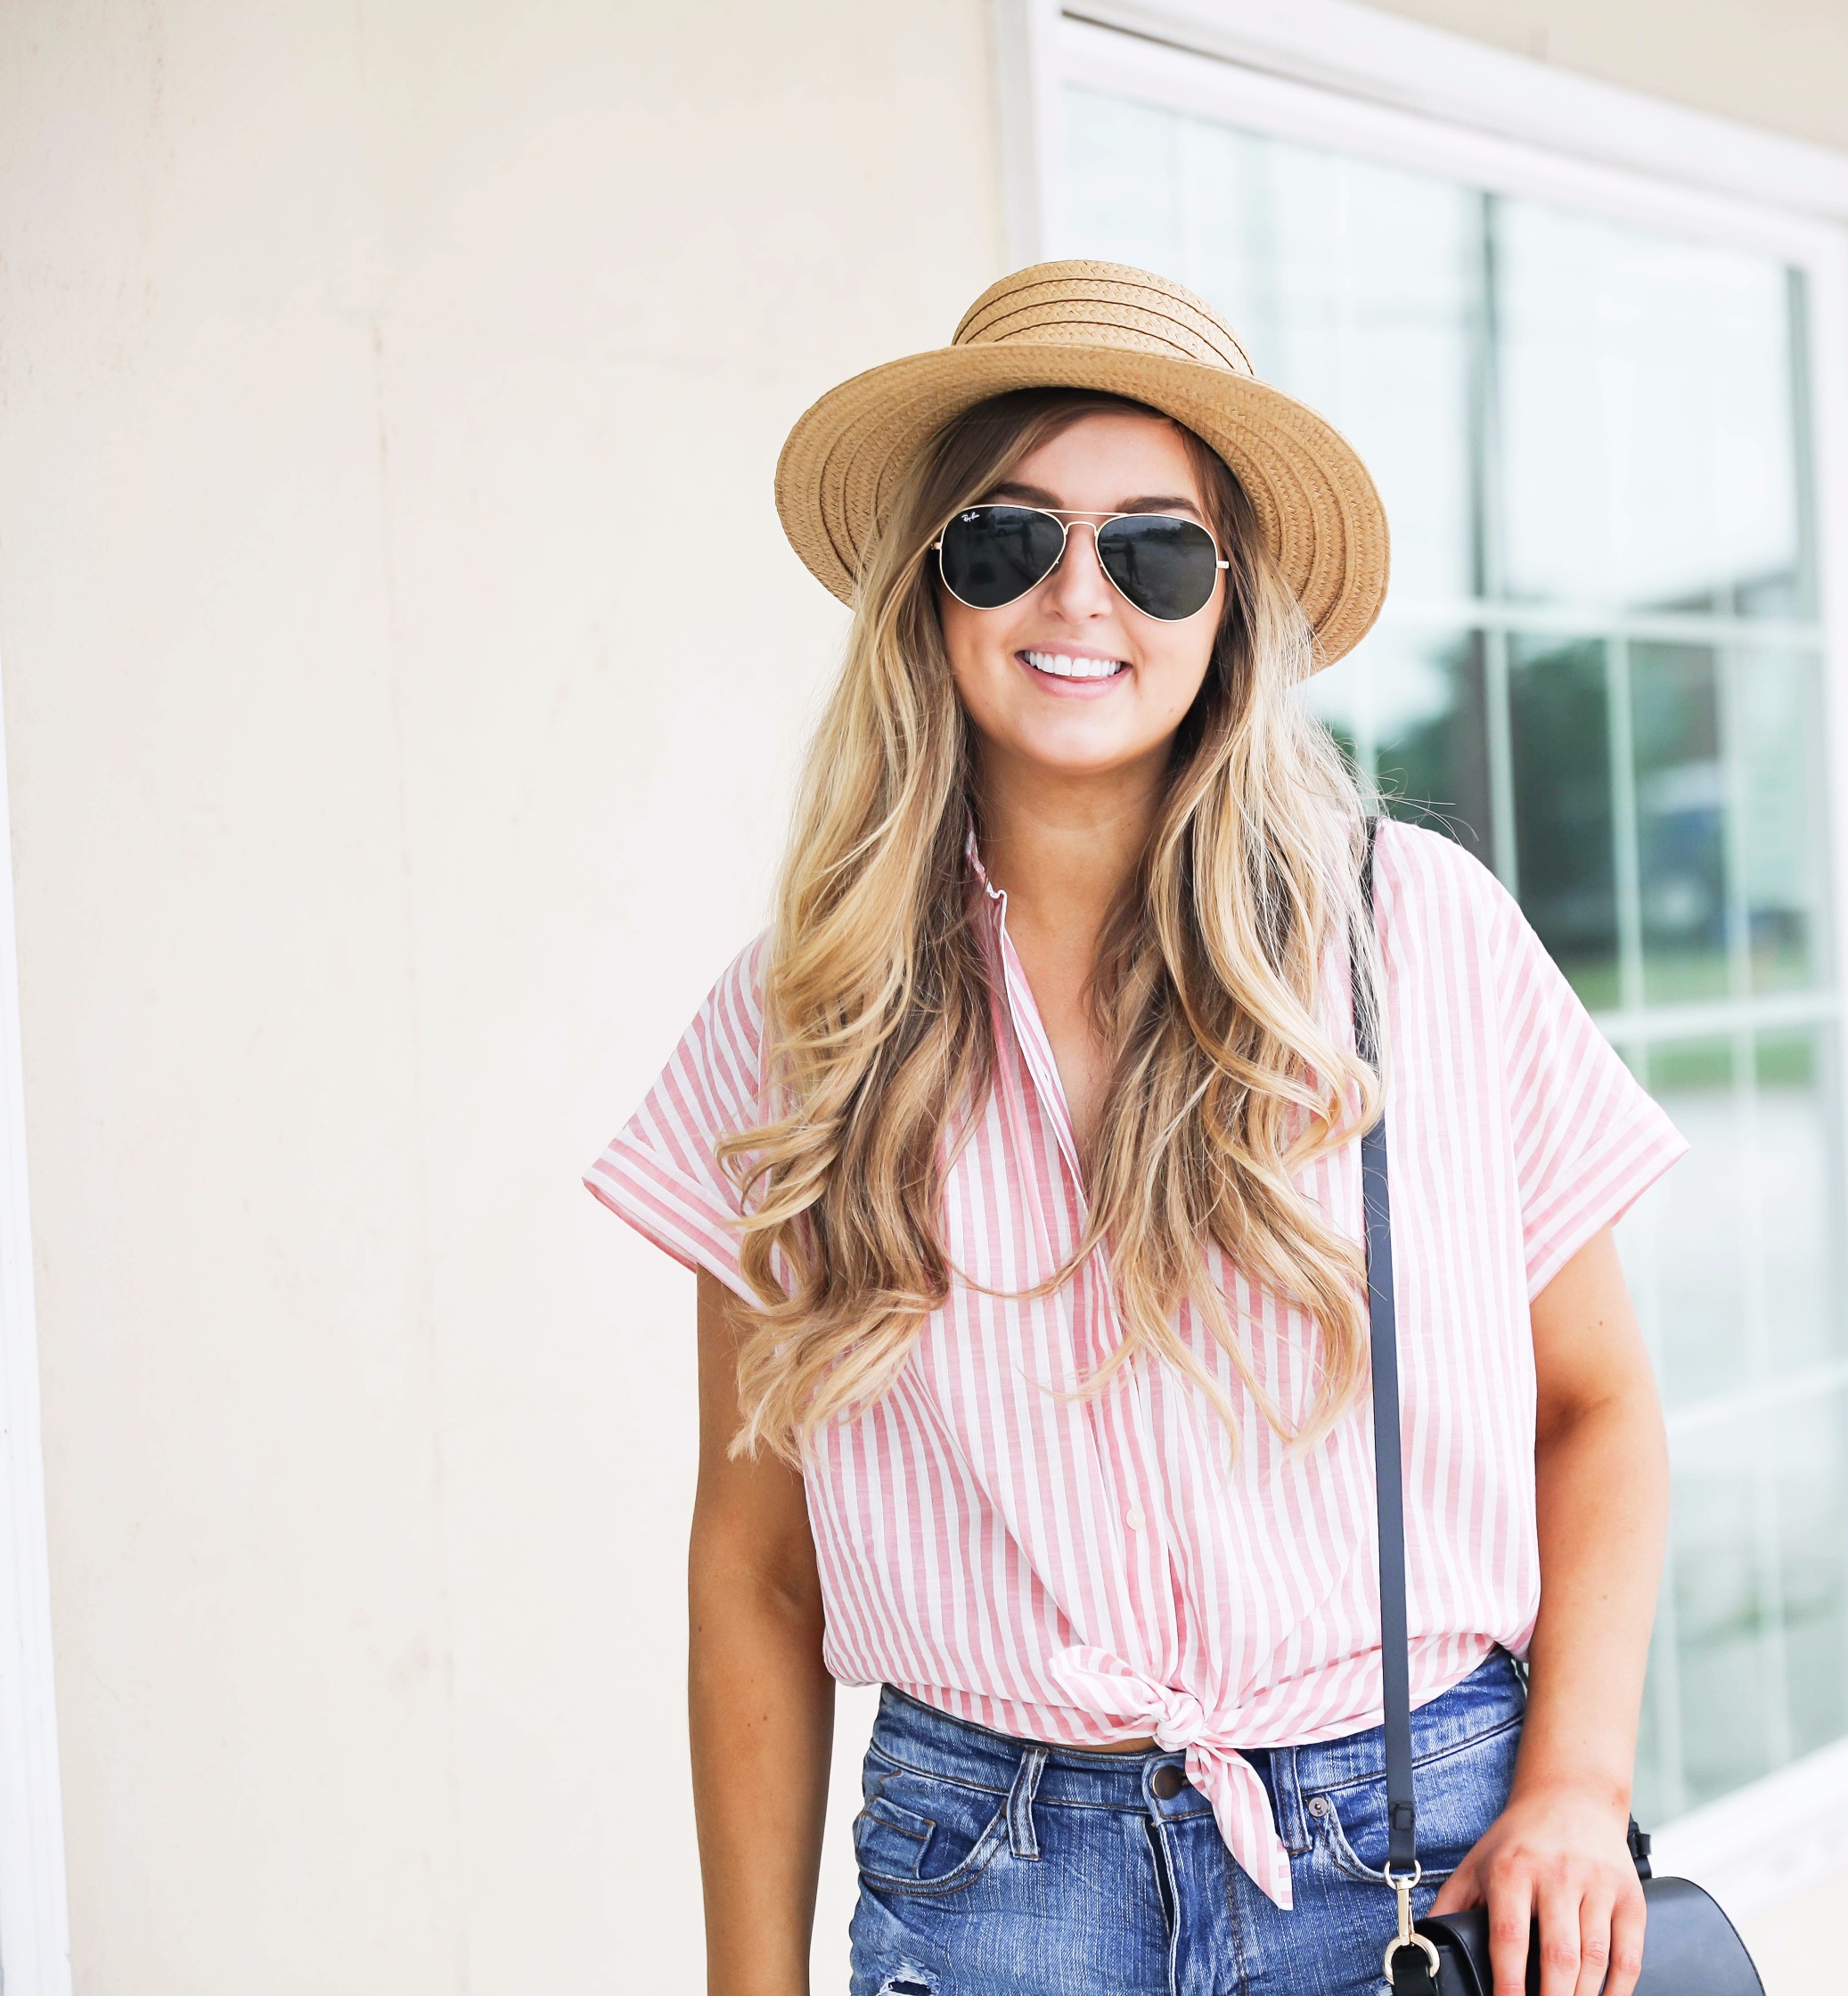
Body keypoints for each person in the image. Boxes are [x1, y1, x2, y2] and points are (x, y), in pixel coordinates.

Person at [587, 262, 1681, 1996]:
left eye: (1153, 547)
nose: (1076, 595)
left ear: (1229, 606)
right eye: (1007, 541)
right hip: (988, 1879)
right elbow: (761, 1563)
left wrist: (1577, 1779)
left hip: (1414, 1848)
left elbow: (1598, 1406)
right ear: (933, 592)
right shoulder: (797, 1021)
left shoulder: (1423, 940)